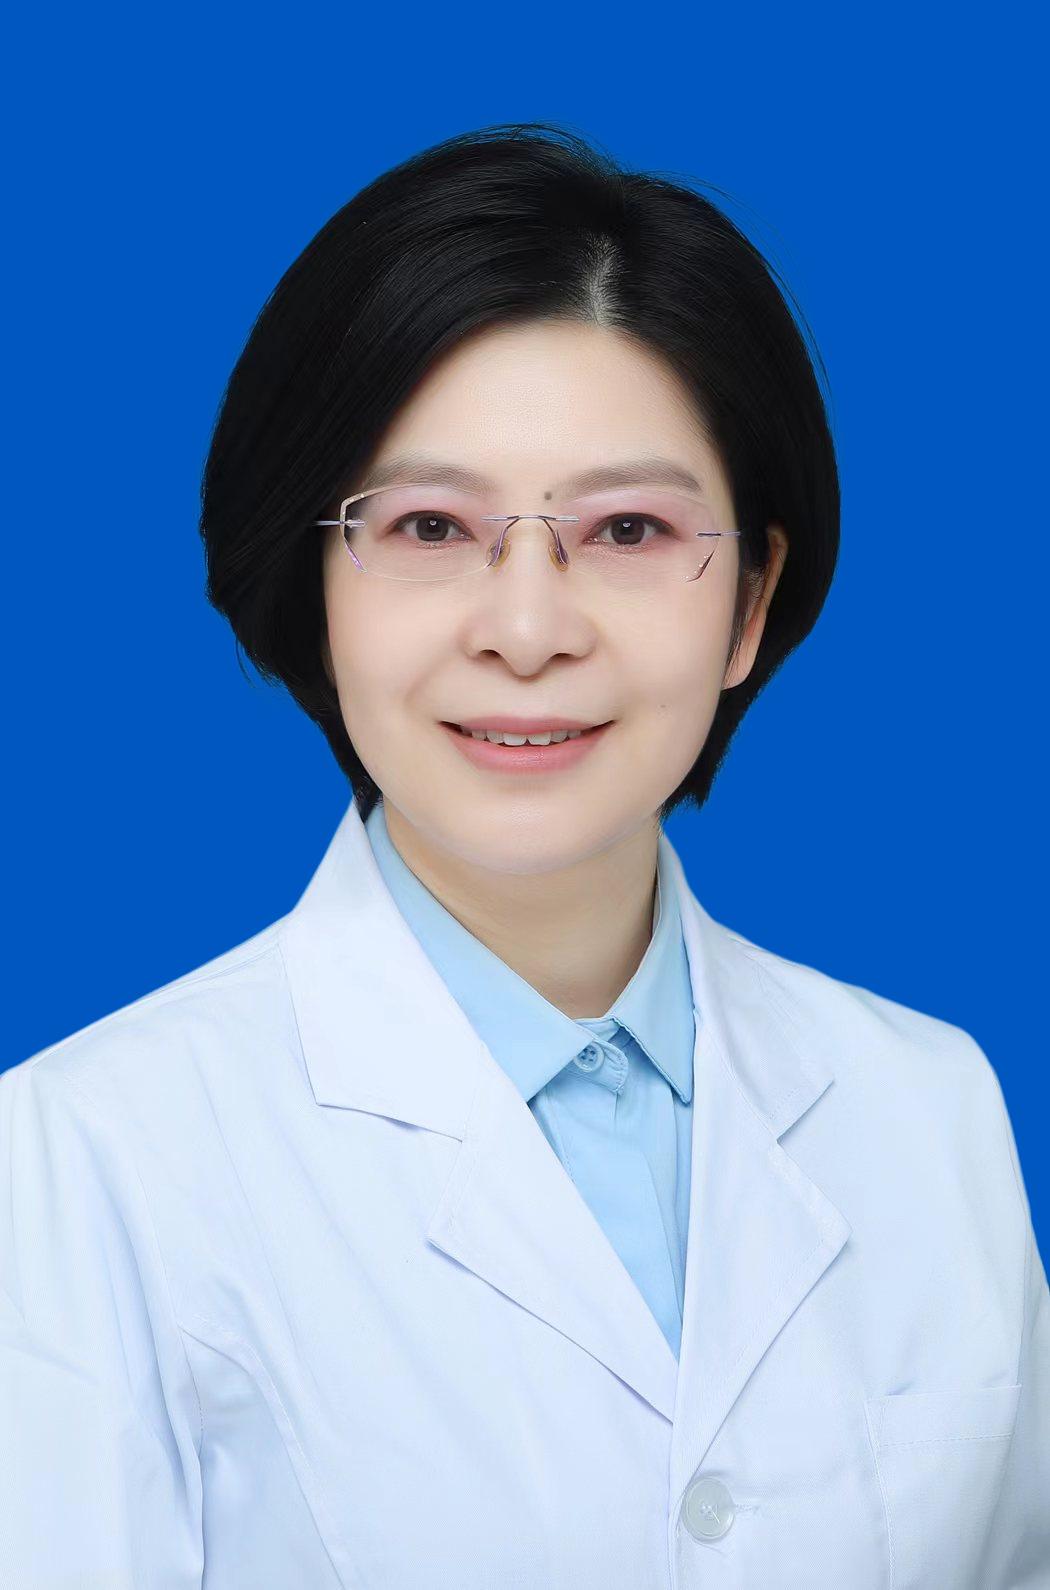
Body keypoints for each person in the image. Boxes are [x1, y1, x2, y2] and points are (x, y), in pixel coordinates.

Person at [2, 122, 1046, 1590]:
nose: (529, 627)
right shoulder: (79, 1161)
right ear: (315, 591)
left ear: (751, 601)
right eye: (432, 524)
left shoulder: (928, 1107)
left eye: (629, 529)